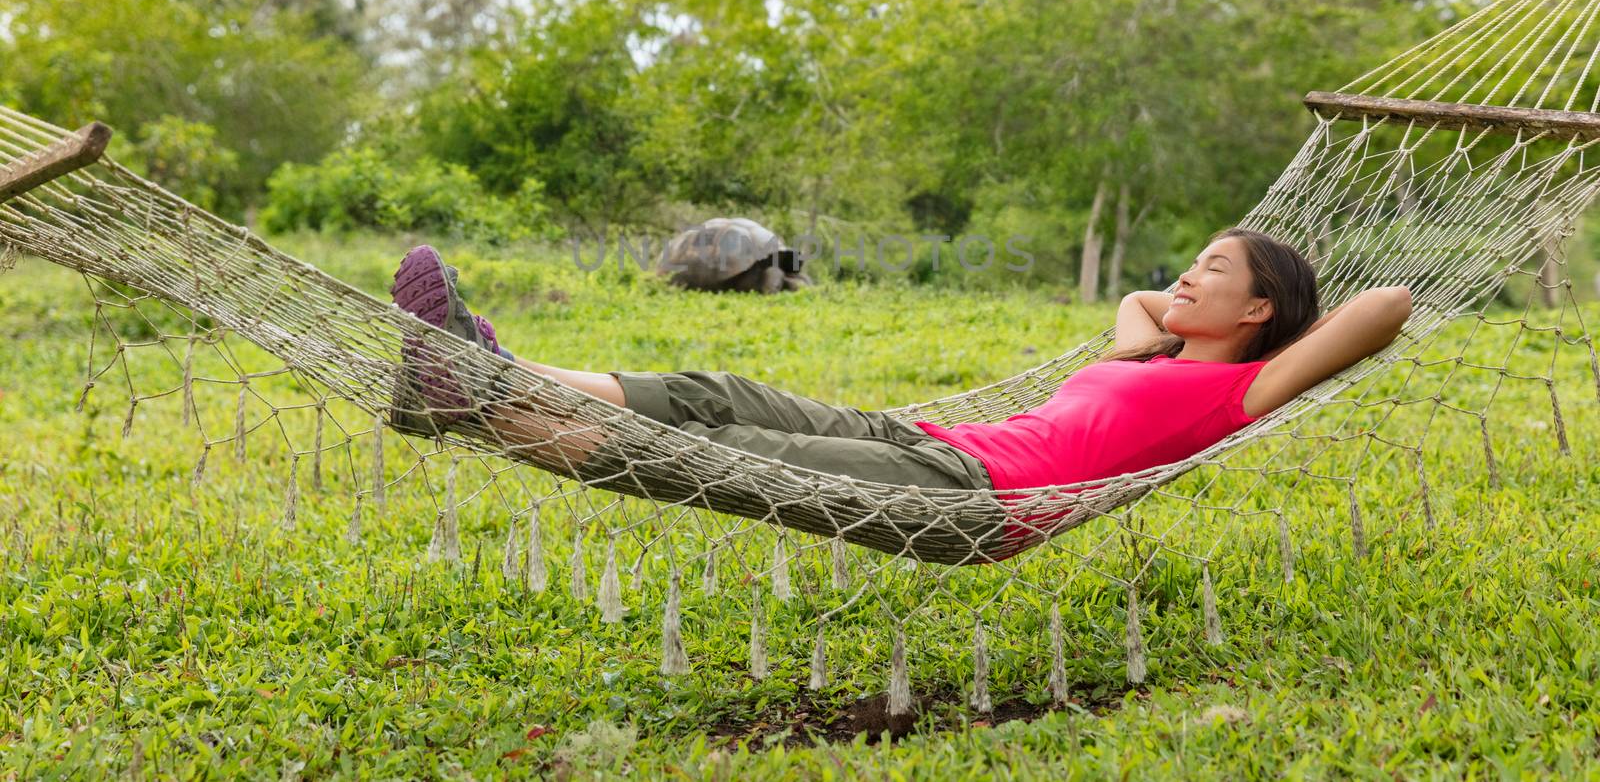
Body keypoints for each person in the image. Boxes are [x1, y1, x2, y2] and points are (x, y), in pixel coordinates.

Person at [387, 227, 1412, 495]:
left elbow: (1387, 302)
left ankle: (467, 398)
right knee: (719, 392)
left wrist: (1218, 339)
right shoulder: (1151, 355)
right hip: (930, 439)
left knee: (725, 451)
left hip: (972, 491)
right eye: (1189, 263)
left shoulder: (1243, 386)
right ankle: (483, 370)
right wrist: (1160, 321)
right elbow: (1134, 299)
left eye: (1214, 270)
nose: (1183, 277)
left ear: (1265, 307)